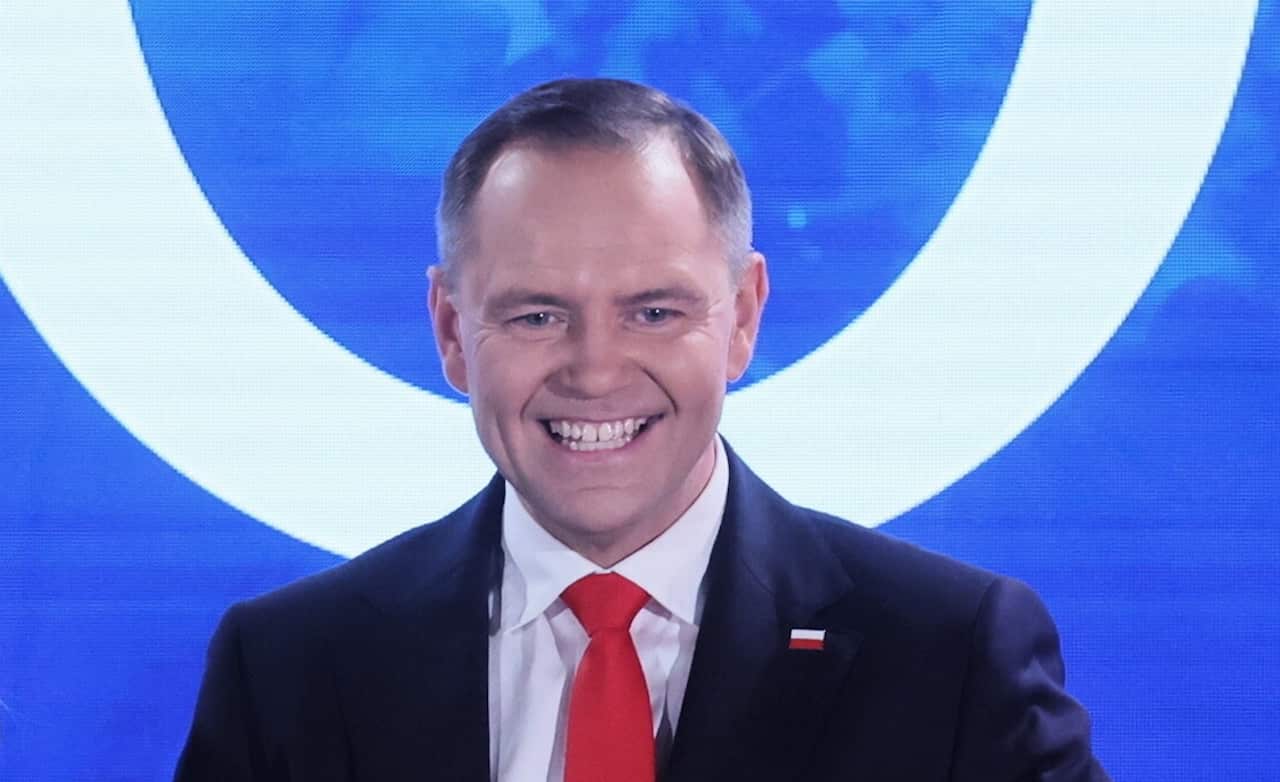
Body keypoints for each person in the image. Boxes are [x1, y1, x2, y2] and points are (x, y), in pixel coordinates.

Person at [175, 77, 1109, 781]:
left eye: (655, 312)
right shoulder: (289, 669)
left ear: (743, 316)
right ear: (452, 331)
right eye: (537, 315)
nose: (595, 368)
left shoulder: (950, 659)